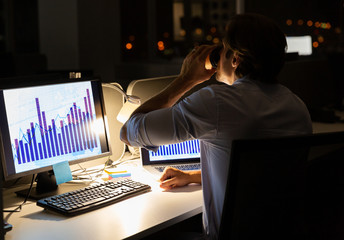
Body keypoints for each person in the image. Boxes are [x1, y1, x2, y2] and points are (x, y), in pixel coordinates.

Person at [120, 13, 312, 239]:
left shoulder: (218, 102)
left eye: (223, 48)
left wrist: (187, 79)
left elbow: (129, 132)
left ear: (235, 59)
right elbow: (261, 176)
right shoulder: (298, 107)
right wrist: (193, 176)